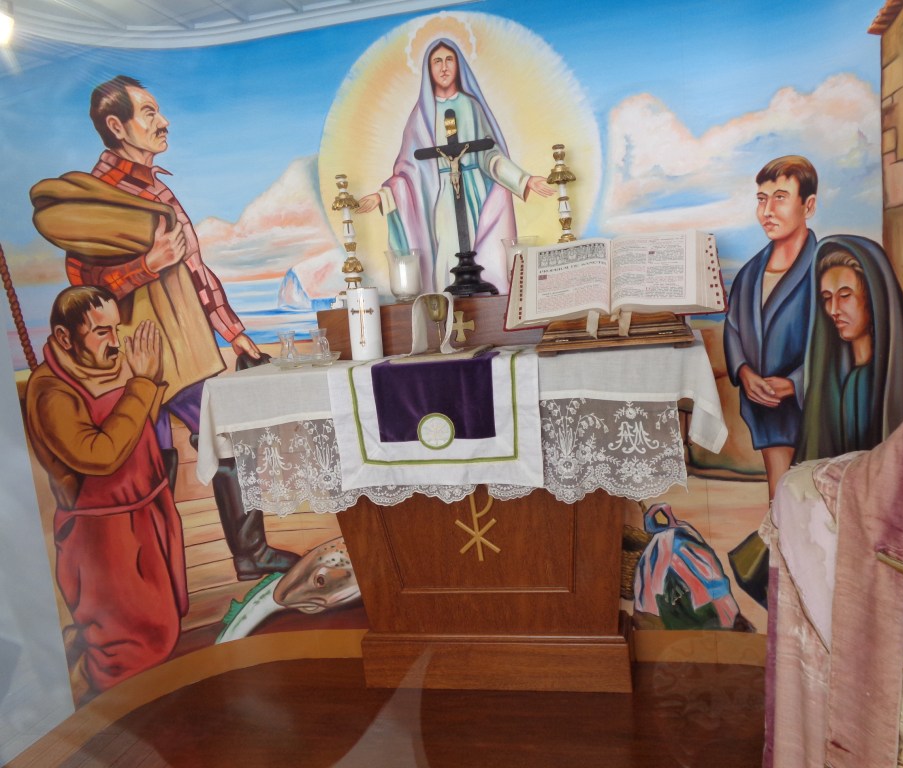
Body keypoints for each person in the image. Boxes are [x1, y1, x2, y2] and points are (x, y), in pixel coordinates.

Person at [29, 75, 298, 581]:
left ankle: (250, 555)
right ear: (117, 126)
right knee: (150, 461)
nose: (164, 121)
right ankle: (154, 571)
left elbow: (195, 269)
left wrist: (233, 333)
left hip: (187, 349)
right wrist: (146, 266)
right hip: (137, 357)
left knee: (227, 441)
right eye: (149, 113)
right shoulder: (94, 200)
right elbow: (85, 288)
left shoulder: (157, 188)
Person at [25, 286, 187, 704]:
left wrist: (146, 382)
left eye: (116, 328)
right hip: (101, 536)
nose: (115, 342)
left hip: (144, 512)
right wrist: (143, 383)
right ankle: (85, 692)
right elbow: (100, 455)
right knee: (132, 647)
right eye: (101, 332)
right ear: (65, 337)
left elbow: (137, 430)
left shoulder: (113, 366)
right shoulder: (51, 391)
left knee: (161, 628)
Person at [356, 38, 552, 293]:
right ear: (429, 70)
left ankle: (490, 302)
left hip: (476, 192)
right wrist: (383, 196)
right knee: (448, 250)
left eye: (449, 60)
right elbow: (407, 171)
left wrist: (525, 180)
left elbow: (490, 155)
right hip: (444, 198)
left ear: (458, 66)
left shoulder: (471, 106)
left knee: (483, 252)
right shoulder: (421, 116)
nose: (444, 67)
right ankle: (449, 311)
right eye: (437, 61)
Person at [724, 155, 818, 501]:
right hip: (764, 407)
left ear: (808, 205)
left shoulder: (824, 267)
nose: (767, 211)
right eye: (762, 199)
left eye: (780, 198)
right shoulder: (749, 273)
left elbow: (838, 343)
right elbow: (733, 328)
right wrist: (744, 372)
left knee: (813, 497)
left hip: (813, 407)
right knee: (779, 494)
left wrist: (795, 383)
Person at [796, 235, 903, 460]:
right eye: (827, 298)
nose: (834, 310)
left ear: (873, 296)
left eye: (845, 295)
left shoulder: (892, 381)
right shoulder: (830, 383)